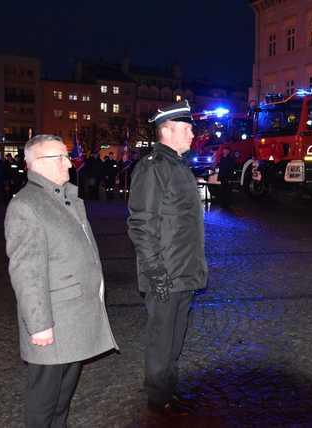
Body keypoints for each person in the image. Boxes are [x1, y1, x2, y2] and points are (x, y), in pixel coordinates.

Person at [4, 135, 117, 427]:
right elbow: (26, 272)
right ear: (38, 164)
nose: (69, 162)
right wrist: (39, 325)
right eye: (61, 157)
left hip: (74, 316)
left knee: (63, 397)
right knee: (44, 401)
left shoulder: (65, 196)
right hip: (52, 320)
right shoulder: (27, 205)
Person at [127, 100, 208, 416]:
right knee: (161, 342)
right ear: (168, 130)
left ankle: (168, 392)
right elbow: (141, 224)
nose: (192, 135)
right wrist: (156, 273)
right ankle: (158, 400)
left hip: (183, 271)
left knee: (175, 340)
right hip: (166, 274)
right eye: (187, 129)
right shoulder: (153, 167)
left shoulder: (177, 165)